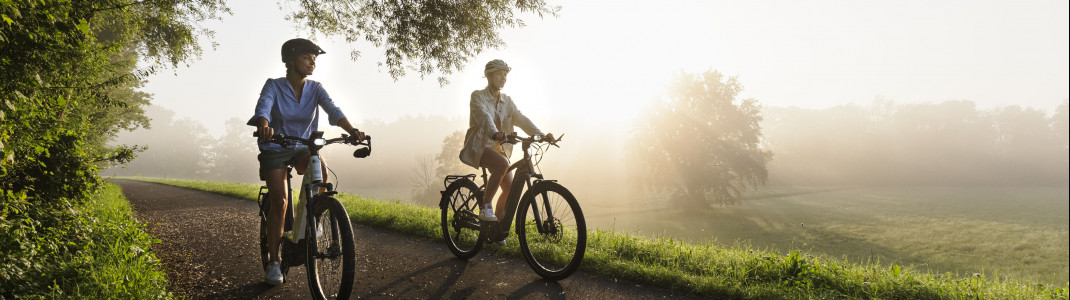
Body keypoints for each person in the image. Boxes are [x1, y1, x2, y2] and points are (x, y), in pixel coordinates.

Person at [247, 38, 365, 285]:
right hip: (275, 146)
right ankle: (274, 262)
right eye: (307, 58)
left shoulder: (315, 88)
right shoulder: (273, 85)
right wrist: (264, 127)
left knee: (320, 172)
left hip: (302, 146)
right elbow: (263, 108)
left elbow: (333, 110)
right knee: (280, 202)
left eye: (314, 59)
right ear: (291, 60)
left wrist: (352, 130)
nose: (313, 62)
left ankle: (315, 215)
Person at [459, 59, 553, 245]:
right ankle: (486, 208)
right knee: (503, 165)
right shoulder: (477, 96)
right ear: (489, 76)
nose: (503, 78)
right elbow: (484, 117)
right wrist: (495, 133)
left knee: (509, 187)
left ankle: (496, 229)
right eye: (499, 74)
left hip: (499, 148)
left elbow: (520, 118)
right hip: (480, 146)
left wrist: (541, 135)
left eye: (505, 75)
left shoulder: (507, 101)